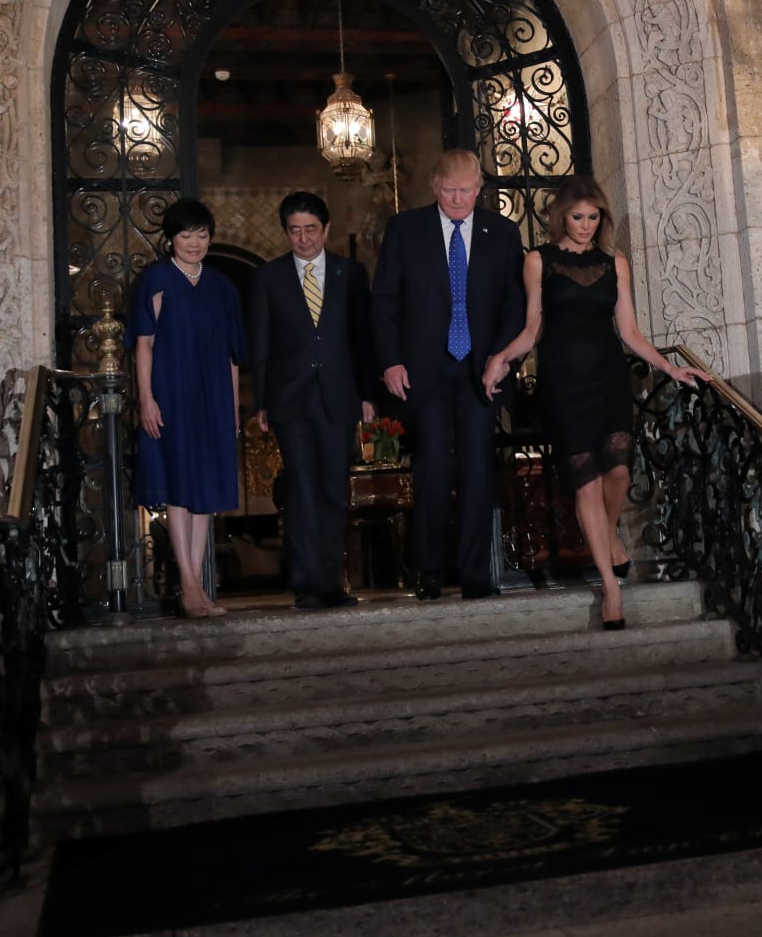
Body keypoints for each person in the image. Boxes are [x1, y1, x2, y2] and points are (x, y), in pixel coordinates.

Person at [482, 178, 710, 629]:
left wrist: (671, 369)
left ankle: (606, 533)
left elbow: (629, 331)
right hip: (563, 380)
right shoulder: (538, 260)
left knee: (620, 471)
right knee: (585, 482)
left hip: (607, 376)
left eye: (593, 217)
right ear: (561, 217)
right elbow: (532, 329)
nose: (586, 226)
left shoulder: (615, 263)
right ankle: (610, 585)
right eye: (577, 217)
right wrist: (501, 358)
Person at [372, 149, 526, 600]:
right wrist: (390, 360)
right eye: (450, 190)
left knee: (479, 470)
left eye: (467, 190)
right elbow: (384, 300)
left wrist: (502, 357)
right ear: (434, 187)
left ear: (479, 189)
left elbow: (514, 302)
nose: (458, 198)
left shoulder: (502, 232)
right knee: (432, 468)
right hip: (425, 370)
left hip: (483, 371)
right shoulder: (405, 229)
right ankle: (430, 573)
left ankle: (477, 575)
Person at [249, 192, 378, 609]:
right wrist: (262, 402)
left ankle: (331, 581)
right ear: (285, 232)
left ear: (326, 230)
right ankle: (306, 584)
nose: (303, 239)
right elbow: (261, 344)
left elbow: (363, 339)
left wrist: (367, 394)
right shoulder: (269, 277)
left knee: (332, 489)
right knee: (301, 488)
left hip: (339, 397)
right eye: (294, 230)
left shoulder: (350, 273)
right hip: (290, 399)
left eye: (310, 229)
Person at [131, 198, 247, 618]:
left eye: (202, 234)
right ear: (170, 239)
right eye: (185, 235)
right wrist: (147, 398)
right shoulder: (156, 280)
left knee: (206, 495)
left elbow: (234, 355)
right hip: (172, 392)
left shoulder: (222, 286)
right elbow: (143, 345)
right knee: (180, 488)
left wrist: (233, 409)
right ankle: (188, 585)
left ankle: (197, 585)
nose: (194, 242)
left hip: (213, 396)